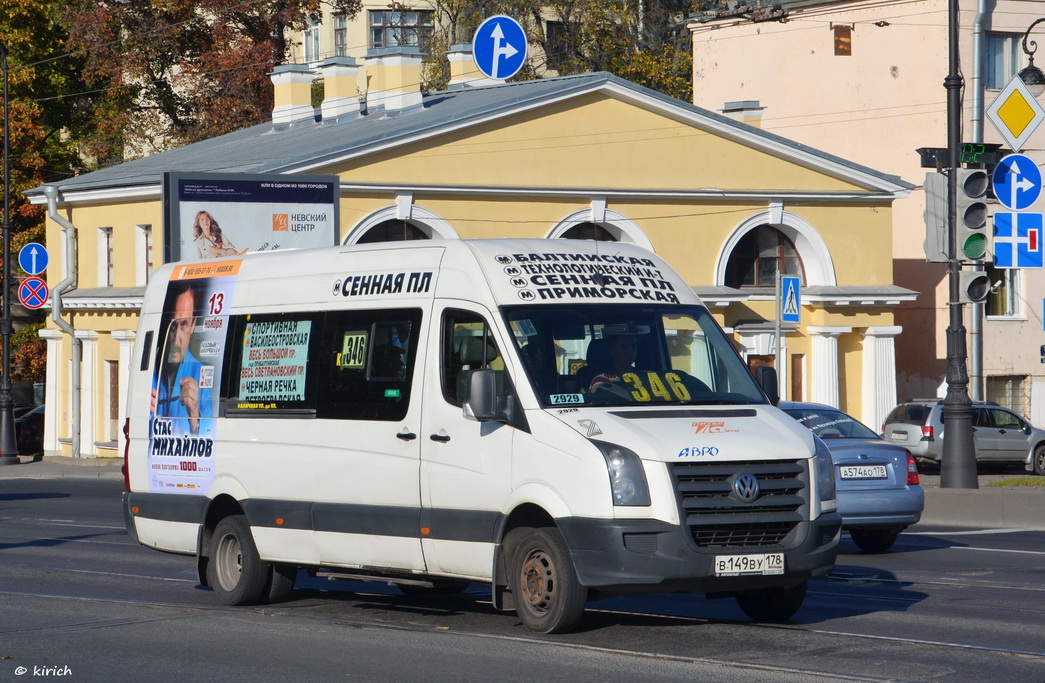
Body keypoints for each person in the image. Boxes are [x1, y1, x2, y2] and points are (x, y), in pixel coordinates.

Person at [152, 283, 213, 435]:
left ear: (193, 325)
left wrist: (194, 415)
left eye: (184, 324)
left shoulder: (201, 375)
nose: (176, 340)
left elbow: (210, 438)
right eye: (173, 325)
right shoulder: (149, 372)